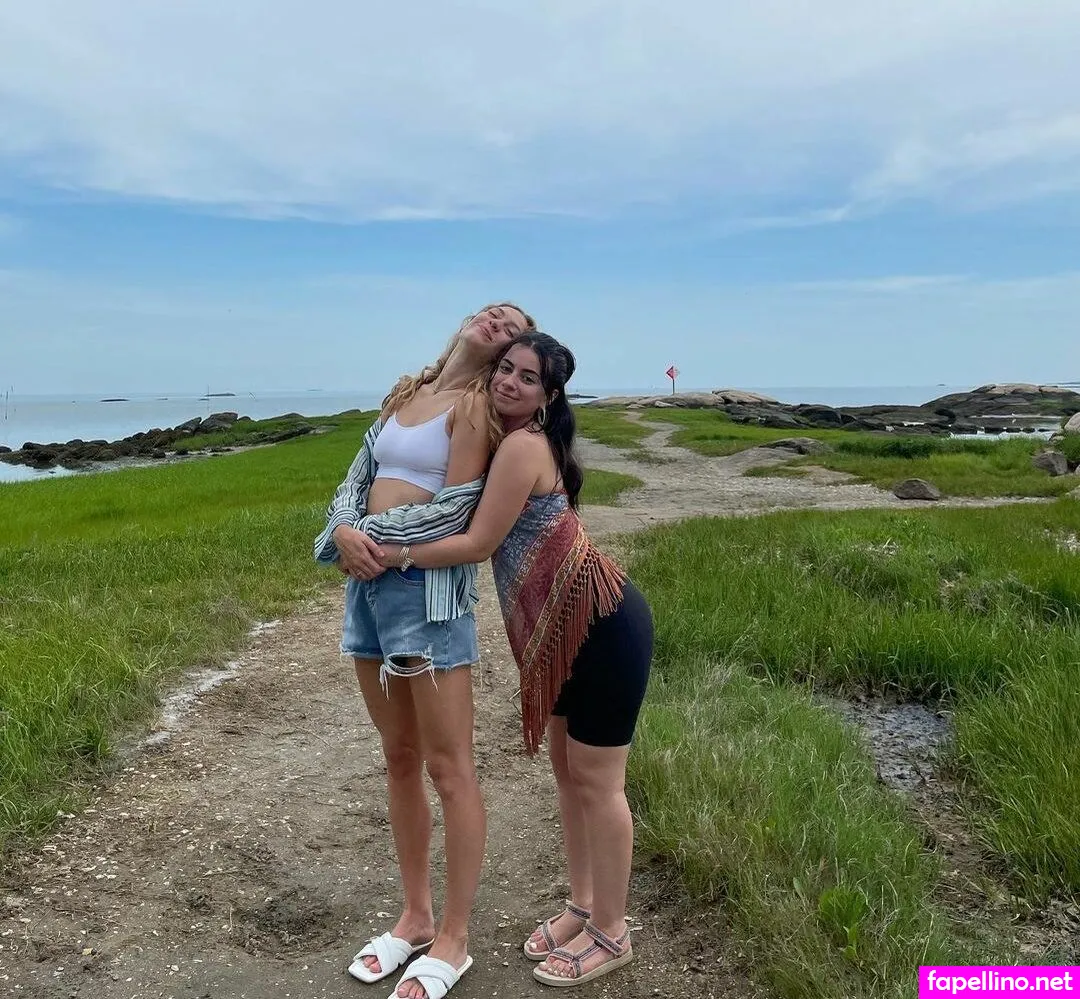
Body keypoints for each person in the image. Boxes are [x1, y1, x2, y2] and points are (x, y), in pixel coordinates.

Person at [371, 332, 653, 990]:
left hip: (601, 624)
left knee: (597, 780)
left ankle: (612, 930)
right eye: (505, 369)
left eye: (528, 377)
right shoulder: (510, 439)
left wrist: (393, 553)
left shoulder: (524, 445)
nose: (509, 382)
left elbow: (476, 542)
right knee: (567, 771)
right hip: (565, 631)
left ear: (548, 396)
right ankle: (583, 904)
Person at [313, 303, 536, 999]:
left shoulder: (476, 409)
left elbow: (458, 509)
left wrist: (373, 541)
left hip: (423, 595)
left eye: (513, 326)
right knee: (399, 756)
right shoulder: (408, 392)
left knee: (449, 766)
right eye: (494, 311)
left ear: (509, 355)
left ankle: (454, 939)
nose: (498, 320)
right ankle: (415, 917)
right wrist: (343, 532)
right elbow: (354, 480)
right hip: (367, 589)